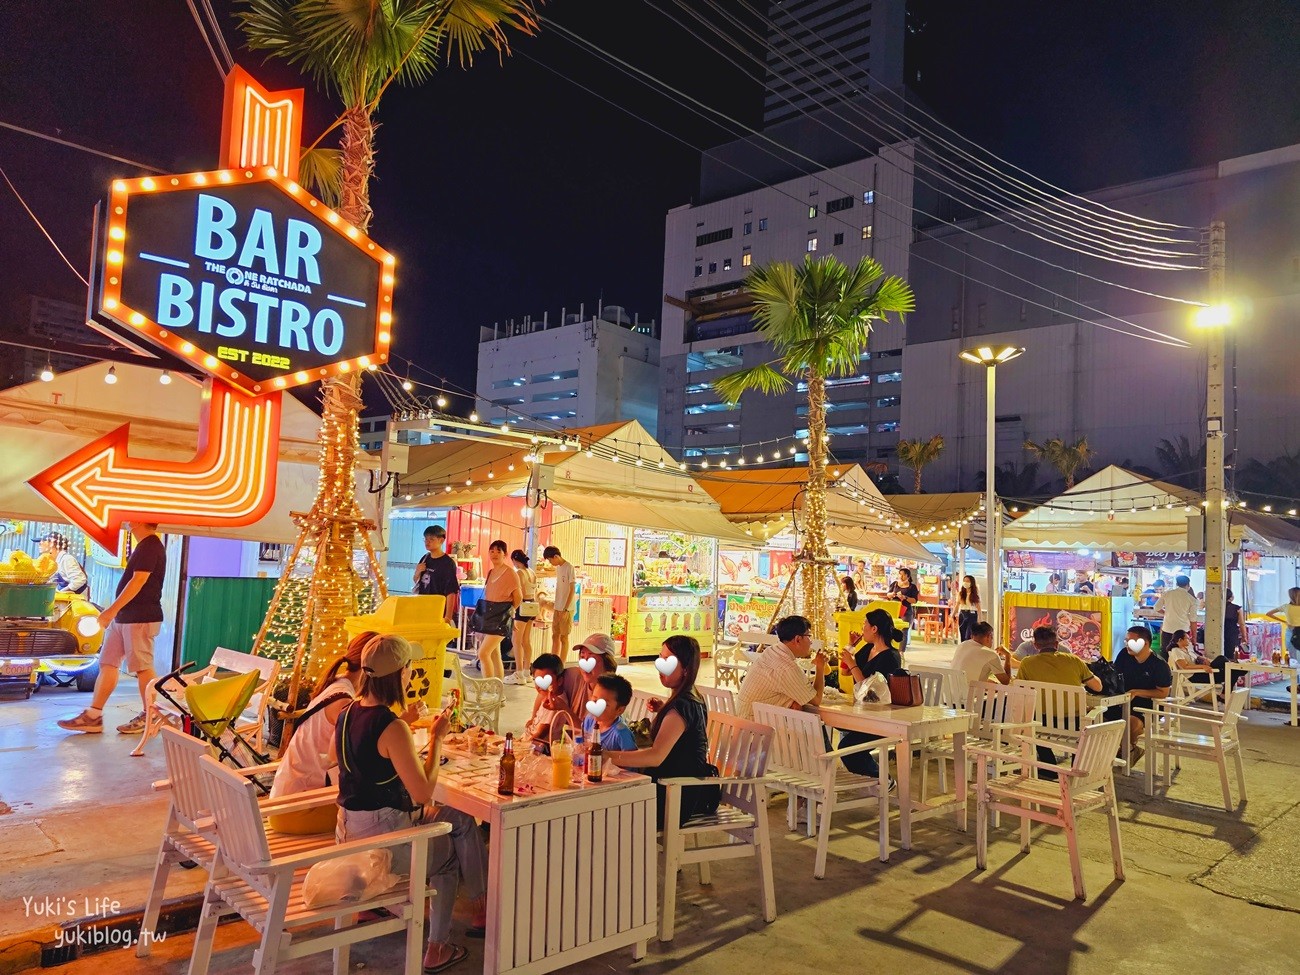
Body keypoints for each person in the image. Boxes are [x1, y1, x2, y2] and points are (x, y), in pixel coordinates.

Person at [334, 635, 487, 972]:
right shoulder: (392, 726)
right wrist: (436, 739)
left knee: (459, 818)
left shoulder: (347, 713)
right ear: (399, 674)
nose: (411, 674)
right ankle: (437, 948)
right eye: (408, 668)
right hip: (384, 841)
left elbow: (361, 761)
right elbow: (422, 793)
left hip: (350, 831)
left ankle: (481, 906)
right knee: (447, 859)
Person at [57, 522, 166, 736]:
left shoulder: (151, 545)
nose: (125, 519)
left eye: (130, 515)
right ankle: (93, 715)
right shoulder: (143, 545)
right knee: (108, 663)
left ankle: (150, 714)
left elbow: (138, 581)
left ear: (140, 520)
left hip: (141, 617)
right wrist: (115, 612)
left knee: (142, 666)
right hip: (124, 616)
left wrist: (110, 611)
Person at [605, 635, 719, 829]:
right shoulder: (692, 696)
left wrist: (606, 756)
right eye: (660, 658)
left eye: (668, 661)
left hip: (673, 797)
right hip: (678, 788)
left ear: (685, 669)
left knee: (606, 808)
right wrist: (663, 709)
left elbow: (655, 756)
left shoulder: (681, 707)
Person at [268, 630, 376, 834]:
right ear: (370, 668)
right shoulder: (344, 702)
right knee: (378, 814)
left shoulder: (335, 685)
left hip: (283, 803)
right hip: (299, 811)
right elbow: (356, 754)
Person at [1017, 626, 1102, 779]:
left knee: (1031, 719)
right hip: (1074, 723)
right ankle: (1076, 768)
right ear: (1056, 644)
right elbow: (1097, 686)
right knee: (1091, 717)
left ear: (1035, 645)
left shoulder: (1027, 663)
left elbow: (1019, 690)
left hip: (1042, 723)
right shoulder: (1074, 660)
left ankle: (1049, 766)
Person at [836, 608, 905, 780]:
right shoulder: (868, 648)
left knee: (848, 747)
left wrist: (852, 664)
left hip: (879, 717)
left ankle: (881, 779)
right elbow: (845, 673)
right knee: (837, 729)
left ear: (874, 629)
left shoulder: (890, 657)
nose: (862, 628)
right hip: (861, 712)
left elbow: (869, 691)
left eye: (865, 624)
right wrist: (852, 646)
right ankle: (868, 780)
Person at [735, 614, 827, 720]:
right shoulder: (787, 668)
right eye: (809, 636)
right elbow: (816, 700)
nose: (810, 642)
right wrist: (820, 667)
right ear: (797, 639)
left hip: (744, 720)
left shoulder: (772, 651)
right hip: (757, 728)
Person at [1113, 626, 1172, 760]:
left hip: (1147, 705)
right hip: (1122, 700)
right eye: (1126, 641)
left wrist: (1138, 692)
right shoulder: (1124, 655)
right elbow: (1114, 674)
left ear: (1145, 643)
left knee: (1131, 722)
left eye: (1131, 641)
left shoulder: (1159, 665)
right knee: (1094, 715)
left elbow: (1163, 692)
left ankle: (1129, 749)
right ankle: (1102, 753)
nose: (1127, 644)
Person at [473, 540, 519, 679]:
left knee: (483, 653)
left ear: (505, 554)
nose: (495, 554)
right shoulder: (491, 572)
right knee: (494, 653)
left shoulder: (511, 573)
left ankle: (488, 688)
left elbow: (518, 597)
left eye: (499, 551)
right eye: (492, 551)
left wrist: (510, 612)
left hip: (501, 618)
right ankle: (498, 690)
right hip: (490, 616)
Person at [560, 632, 619, 725]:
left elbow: (594, 735)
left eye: (592, 658)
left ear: (607, 663)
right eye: (582, 657)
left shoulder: (609, 695)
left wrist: (563, 708)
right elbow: (550, 677)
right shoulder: (575, 675)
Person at [413, 524, 459, 623]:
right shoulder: (425, 558)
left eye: (431, 539)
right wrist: (417, 572)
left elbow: (451, 591)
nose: (427, 542)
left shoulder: (447, 563)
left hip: (438, 610)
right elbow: (416, 581)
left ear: (441, 540)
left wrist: (448, 617)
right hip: (422, 607)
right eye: (425, 539)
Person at [581, 673, 638, 751]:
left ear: (620, 710)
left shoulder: (622, 733)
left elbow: (633, 760)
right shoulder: (589, 720)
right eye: (594, 699)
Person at [951, 620, 1013, 690]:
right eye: (992, 638)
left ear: (972, 636)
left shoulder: (962, 645)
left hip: (950, 695)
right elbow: (1006, 681)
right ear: (989, 636)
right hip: (970, 698)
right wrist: (1008, 656)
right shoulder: (991, 654)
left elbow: (970, 672)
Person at [507, 549, 538, 684]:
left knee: (516, 640)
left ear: (514, 559)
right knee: (526, 640)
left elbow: (517, 592)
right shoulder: (532, 572)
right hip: (532, 606)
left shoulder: (519, 573)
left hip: (521, 606)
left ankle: (519, 673)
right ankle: (527, 671)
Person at [524, 652, 570, 745]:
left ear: (560, 681)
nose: (541, 686)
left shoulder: (555, 703)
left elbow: (541, 733)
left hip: (539, 747)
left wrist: (522, 745)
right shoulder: (548, 695)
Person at [543, 545, 576, 659]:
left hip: (567, 608)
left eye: (550, 559)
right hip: (558, 607)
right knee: (555, 635)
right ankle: (554, 660)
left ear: (556, 556)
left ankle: (562, 662)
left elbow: (572, 589)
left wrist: (566, 609)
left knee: (564, 637)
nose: (550, 562)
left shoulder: (569, 567)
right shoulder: (558, 568)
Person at [1153, 575, 1198, 655]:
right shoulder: (1192, 599)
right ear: (1188, 585)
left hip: (1167, 629)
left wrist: (1165, 612)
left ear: (1177, 584)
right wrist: (1194, 637)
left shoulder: (1167, 594)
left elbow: (1156, 607)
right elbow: (1193, 620)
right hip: (1183, 632)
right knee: (1182, 654)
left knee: (1166, 654)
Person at [40, 531, 88, 596]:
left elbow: (79, 580)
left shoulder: (67, 559)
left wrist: (61, 592)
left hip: (72, 602)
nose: (40, 544)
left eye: (43, 541)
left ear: (52, 543)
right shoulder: (53, 561)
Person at [887, 567, 919, 652]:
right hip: (894, 609)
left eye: (903, 575)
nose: (901, 577)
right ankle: (891, 649)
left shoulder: (912, 587)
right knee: (891, 628)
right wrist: (892, 594)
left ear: (908, 576)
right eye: (900, 574)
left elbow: (914, 600)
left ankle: (901, 652)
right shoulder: (895, 584)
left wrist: (905, 597)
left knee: (904, 631)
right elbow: (888, 594)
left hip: (906, 610)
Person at [1266, 587, 1300, 659]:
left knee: (1291, 655)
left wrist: (1284, 621)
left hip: (1291, 630)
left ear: (1290, 596)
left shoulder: (1285, 607)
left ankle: (1292, 668)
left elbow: (1268, 613)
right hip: (1297, 630)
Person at [1223, 588, 1247, 661]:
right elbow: (1242, 624)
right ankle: (1230, 671)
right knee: (1232, 655)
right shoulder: (1237, 608)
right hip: (1232, 634)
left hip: (1219, 633)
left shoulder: (1217, 607)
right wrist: (1244, 636)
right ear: (1231, 597)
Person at [956, 575, 980, 642]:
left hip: (972, 614)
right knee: (962, 634)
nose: (965, 583)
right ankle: (963, 650)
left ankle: (969, 649)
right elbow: (957, 604)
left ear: (971, 583)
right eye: (964, 581)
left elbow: (978, 607)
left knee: (969, 635)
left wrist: (979, 619)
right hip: (963, 613)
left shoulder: (975, 593)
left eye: (967, 581)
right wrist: (953, 614)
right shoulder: (961, 593)